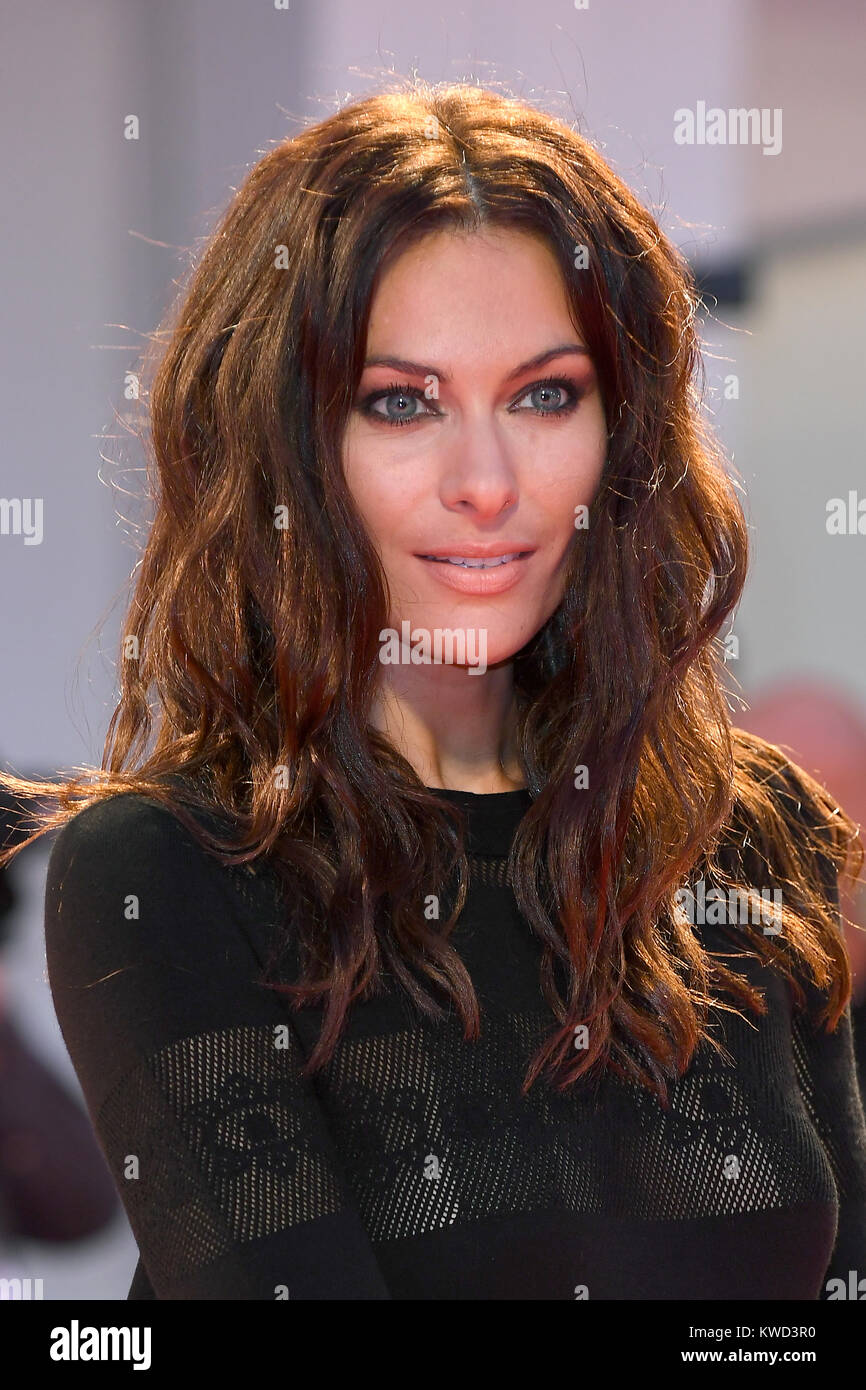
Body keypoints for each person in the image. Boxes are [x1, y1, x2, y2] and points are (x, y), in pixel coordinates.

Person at [2, 80, 864, 1301]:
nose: (485, 480)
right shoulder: (171, 872)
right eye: (401, 403)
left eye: (544, 394)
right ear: (288, 444)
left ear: (622, 432)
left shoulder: (742, 828)